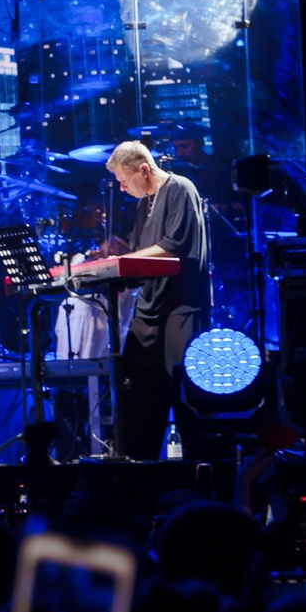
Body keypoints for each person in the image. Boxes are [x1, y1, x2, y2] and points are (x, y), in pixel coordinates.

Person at [99, 140, 212, 459]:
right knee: (139, 391)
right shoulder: (143, 204)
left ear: (144, 170)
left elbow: (173, 244)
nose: (122, 189)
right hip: (150, 307)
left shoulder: (180, 188)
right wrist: (113, 262)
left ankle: (198, 465)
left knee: (185, 393)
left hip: (181, 306)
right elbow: (142, 254)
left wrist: (123, 260)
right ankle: (139, 464)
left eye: (124, 181)